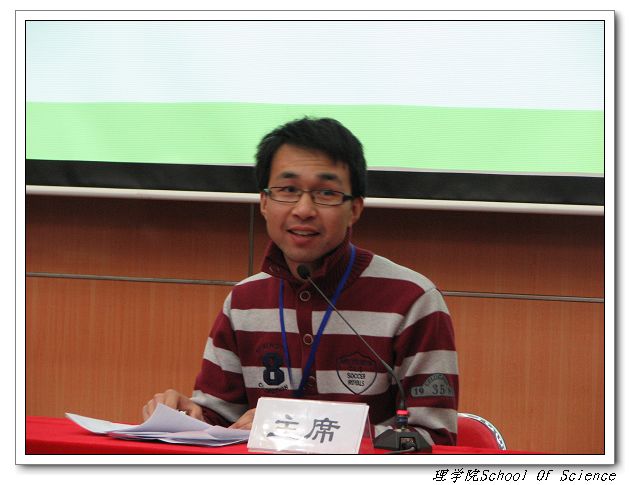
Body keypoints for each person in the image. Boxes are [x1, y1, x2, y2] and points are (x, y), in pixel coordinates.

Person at [143, 117, 459, 446]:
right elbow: (222, 421)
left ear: (355, 209)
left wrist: (295, 427)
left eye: (326, 193)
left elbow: (434, 439)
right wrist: (191, 416)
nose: (304, 209)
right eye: (288, 190)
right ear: (264, 202)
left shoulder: (412, 300)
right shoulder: (244, 301)